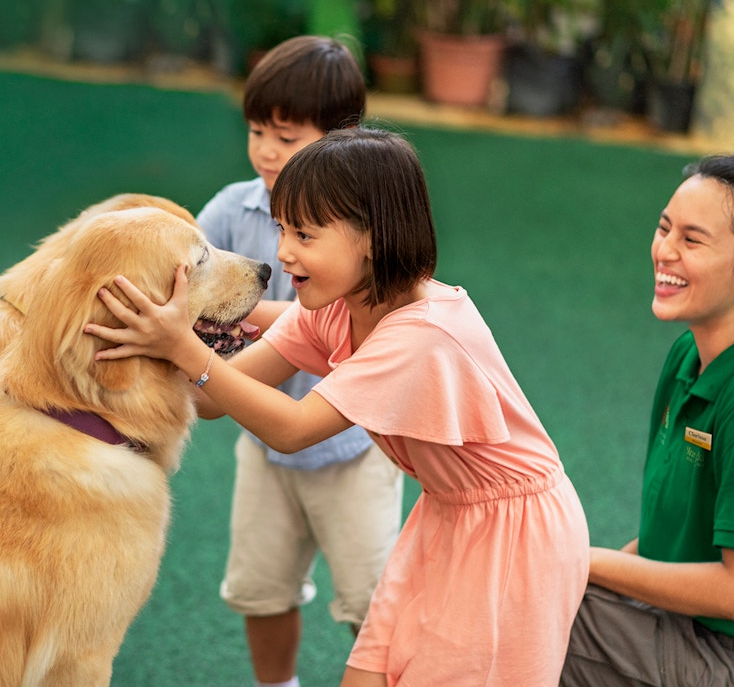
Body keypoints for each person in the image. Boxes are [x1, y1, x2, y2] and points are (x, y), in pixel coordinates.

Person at [86, 127, 591, 686]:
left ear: (372, 237)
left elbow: (293, 427)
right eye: (282, 229)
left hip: (513, 533)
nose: (282, 252)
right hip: (449, 513)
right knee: (370, 675)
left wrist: (183, 345)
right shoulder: (340, 306)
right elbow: (210, 401)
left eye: (304, 233)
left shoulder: (419, 335)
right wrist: (177, 333)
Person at [194, 35, 403, 687]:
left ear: (343, 137)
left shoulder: (365, 225)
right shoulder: (232, 211)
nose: (264, 150)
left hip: (353, 451)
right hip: (264, 449)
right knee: (261, 589)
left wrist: (217, 327)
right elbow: (189, 284)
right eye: (257, 130)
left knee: (374, 605)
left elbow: (334, 322)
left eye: (285, 136)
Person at [560, 119, 734, 686]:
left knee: (540, 615)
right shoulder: (689, 355)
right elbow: (666, 541)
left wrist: (582, 563)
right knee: (546, 594)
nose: (664, 251)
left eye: (692, 240)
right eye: (665, 228)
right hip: (689, 629)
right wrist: (583, 573)